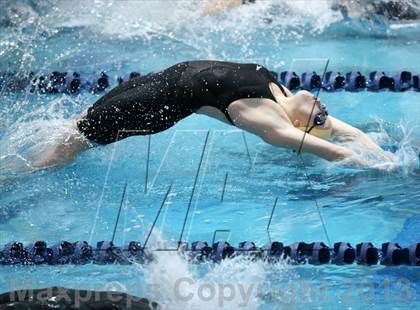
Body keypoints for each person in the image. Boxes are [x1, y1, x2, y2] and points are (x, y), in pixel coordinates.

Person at [32, 60, 392, 169]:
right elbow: (348, 135)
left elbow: (335, 150)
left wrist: (386, 169)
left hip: (158, 104)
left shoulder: (269, 123)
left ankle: (16, 180)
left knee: (72, 141)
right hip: (164, 78)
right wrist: (383, 152)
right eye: (323, 114)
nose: (323, 110)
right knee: (74, 126)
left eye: (318, 119)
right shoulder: (286, 96)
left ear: (299, 126)